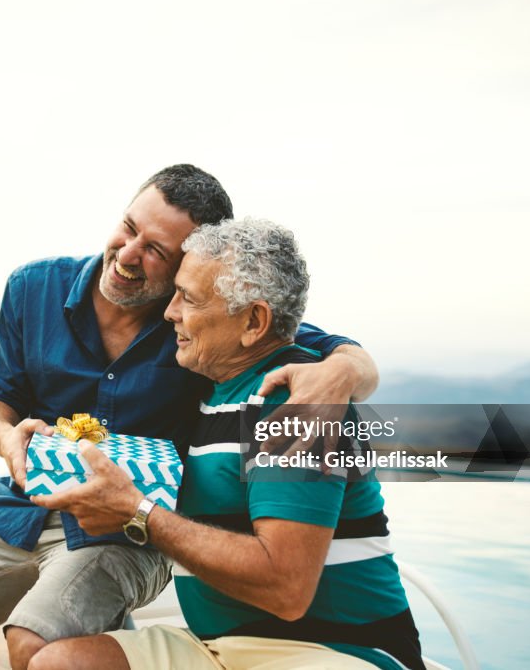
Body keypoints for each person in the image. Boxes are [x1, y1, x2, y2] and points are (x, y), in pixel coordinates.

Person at [0, 165, 380, 670]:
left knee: (38, 644)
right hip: (22, 505)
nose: (128, 253)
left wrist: (343, 373)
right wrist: (6, 438)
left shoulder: (202, 321)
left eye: (157, 250)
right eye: (128, 226)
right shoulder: (32, 287)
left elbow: (289, 335)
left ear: (192, 263)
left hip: (129, 531)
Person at [29, 219, 424, 670]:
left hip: (335, 652)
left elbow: (286, 588)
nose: (169, 312)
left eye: (189, 299)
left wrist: (140, 513)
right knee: (57, 664)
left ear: (254, 322)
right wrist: (55, 440)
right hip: (218, 647)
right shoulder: (203, 388)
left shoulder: (292, 399)